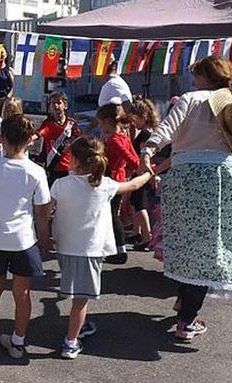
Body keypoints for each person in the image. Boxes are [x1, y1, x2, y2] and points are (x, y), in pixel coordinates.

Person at [139, 55, 232, 341]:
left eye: (197, 75)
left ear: (206, 77)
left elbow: (166, 130)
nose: (194, 80)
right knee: (212, 247)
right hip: (223, 177)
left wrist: (148, 151)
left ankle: (185, 305)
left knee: (185, 243)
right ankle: (187, 317)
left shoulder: (191, 98)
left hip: (186, 177)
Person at [51, 136, 153, 359]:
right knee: (81, 300)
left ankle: (78, 328)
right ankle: (70, 342)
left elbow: (47, 207)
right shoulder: (104, 185)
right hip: (90, 250)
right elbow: (134, 185)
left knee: (74, 292)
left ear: (75, 160)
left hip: (64, 246)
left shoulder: (60, 185)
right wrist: (148, 172)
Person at [0, 115, 52, 359]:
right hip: (24, 241)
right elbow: (42, 212)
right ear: (30, 140)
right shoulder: (36, 172)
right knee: (22, 293)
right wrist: (45, 240)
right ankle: (17, 342)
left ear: (2, 139)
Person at [96, 103, 139, 264]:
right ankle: (114, 248)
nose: (99, 125)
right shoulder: (122, 136)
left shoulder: (114, 140)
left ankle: (120, 250)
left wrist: (141, 169)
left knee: (111, 216)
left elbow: (130, 158)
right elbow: (133, 157)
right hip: (119, 178)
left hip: (112, 179)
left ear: (107, 121)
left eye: (100, 122)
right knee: (111, 215)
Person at [122, 96, 161, 249]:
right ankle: (136, 232)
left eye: (135, 119)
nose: (133, 123)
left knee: (140, 204)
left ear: (143, 117)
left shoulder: (146, 134)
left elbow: (143, 155)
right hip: (144, 172)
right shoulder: (150, 132)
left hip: (143, 173)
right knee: (135, 203)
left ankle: (147, 236)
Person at [37, 92, 81, 184]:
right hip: (53, 167)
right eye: (53, 103)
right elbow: (39, 133)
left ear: (65, 106)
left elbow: (78, 140)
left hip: (69, 168)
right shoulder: (48, 123)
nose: (56, 106)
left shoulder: (71, 124)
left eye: (59, 103)